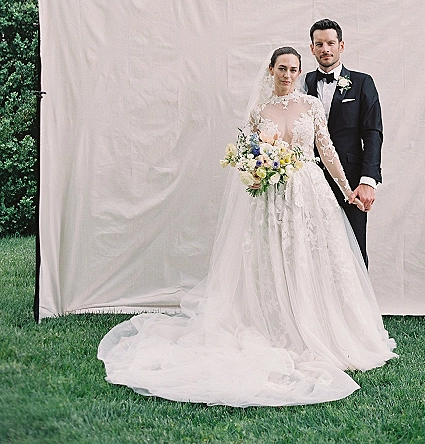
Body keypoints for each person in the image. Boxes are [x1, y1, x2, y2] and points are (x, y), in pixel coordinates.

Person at [98, 47, 396, 407]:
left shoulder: (312, 106)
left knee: (313, 256)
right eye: (281, 68)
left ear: (300, 73)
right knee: (272, 259)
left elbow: (327, 149)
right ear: (271, 70)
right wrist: (257, 173)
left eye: (293, 69)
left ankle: (320, 325)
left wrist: (348, 189)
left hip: (309, 193)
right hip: (271, 196)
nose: (287, 75)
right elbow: (249, 155)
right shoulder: (259, 113)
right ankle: (275, 325)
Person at [301, 20, 382, 266]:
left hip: (350, 179)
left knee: (353, 248)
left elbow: (373, 133)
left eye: (330, 43)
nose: (325, 48)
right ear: (312, 49)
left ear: (341, 46)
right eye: (319, 44)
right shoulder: (301, 84)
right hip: (309, 179)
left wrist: (368, 181)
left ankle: (357, 305)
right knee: (311, 246)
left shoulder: (362, 82)